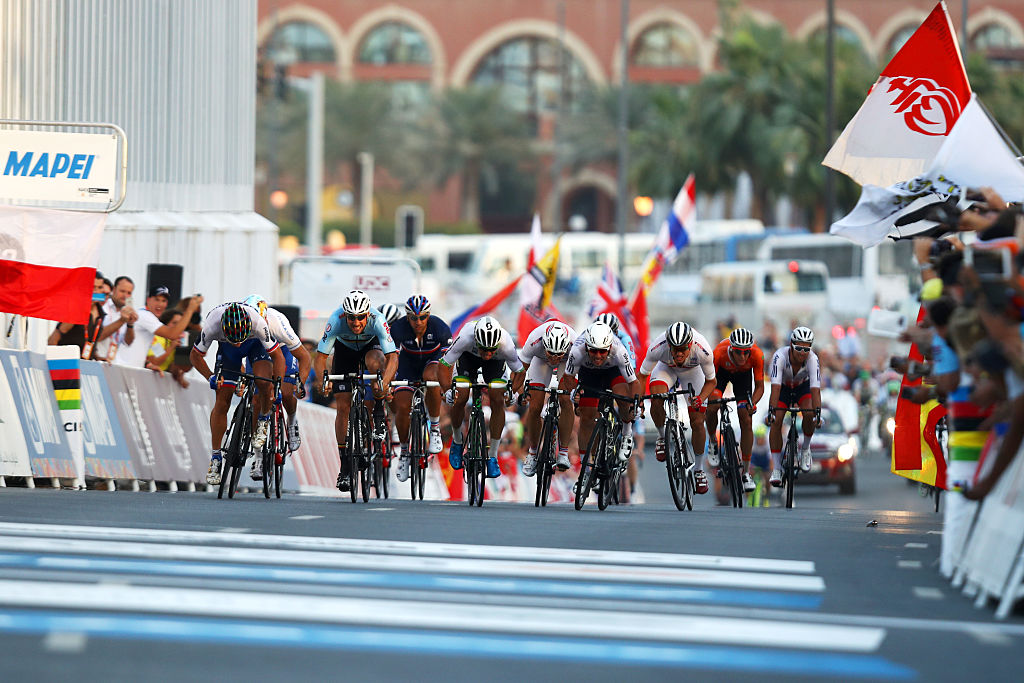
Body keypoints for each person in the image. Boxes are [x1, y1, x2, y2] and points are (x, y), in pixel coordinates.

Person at [190, 301, 286, 484]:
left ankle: (264, 420)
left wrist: (278, 385)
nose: (238, 344)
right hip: (227, 352)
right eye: (234, 339)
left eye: (241, 338)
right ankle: (216, 458)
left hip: (255, 344)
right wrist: (210, 376)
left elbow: (277, 356)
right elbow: (195, 356)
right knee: (222, 400)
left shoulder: (258, 323)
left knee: (264, 383)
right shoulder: (212, 324)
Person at [312, 290, 399, 493]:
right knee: (343, 407)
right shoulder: (335, 320)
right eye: (352, 317)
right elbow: (321, 356)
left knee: (375, 364)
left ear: (368, 315)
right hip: (345, 351)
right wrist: (324, 379)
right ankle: (344, 467)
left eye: (361, 317)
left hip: (371, 348)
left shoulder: (378, 320)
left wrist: (384, 383)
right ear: (346, 315)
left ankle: (378, 411)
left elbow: (392, 357)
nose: (356, 322)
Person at [438, 316, 525, 479]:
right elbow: (443, 364)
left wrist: (513, 391)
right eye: (484, 349)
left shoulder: (505, 344)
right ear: (477, 340)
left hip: (495, 365)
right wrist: (447, 390)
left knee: (498, 399)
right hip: (467, 359)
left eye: (491, 350)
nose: (487, 354)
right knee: (460, 396)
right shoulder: (465, 337)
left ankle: (492, 456)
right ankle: (457, 441)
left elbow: (519, 372)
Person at [638, 322, 716, 495]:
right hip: (666, 369)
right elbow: (642, 375)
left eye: (683, 349)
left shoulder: (703, 349)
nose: (679, 353)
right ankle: (661, 436)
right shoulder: (658, 347)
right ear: (668, 345)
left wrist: (700, 398)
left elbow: (712, 381)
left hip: (693, 373)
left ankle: (699, 470)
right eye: (675, 349)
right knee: (657, 397)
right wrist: (640, 402)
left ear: (691, 345)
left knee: (697, 421)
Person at [559, 321, 640, 472]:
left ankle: (626, 435)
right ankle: (585, 468)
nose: (597, 356)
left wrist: (636, 403)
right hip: (589, 373)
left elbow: (634, 382)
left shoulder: (619, 351)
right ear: (587, 347)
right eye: (594, 351)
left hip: (613, 371)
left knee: (623, 398)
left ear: (609, 347)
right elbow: (568, 377)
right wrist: (574, 392)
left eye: (602, 351)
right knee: (587, 416)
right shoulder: (577, 351)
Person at [388, 295, 452, 482]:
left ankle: (434, 428)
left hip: (431, 363)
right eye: (414, 318)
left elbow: (448, 362)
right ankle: (405, 452)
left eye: (423, 317)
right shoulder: (398, 328)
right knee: (402, 407)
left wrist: (446, 386)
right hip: (407, 365)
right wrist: (389, 383)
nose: (418, 322)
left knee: (431, 379)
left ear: (428, 315)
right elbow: (391, 359)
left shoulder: (440, 328)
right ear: (407, 317)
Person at [243, 295, 312, 452]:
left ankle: (292, 420)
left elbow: (304, 356)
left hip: (282, 349)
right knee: (256, 399)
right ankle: (258, 454)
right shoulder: (244, 322)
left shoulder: (278, 323)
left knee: (286, 392)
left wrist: (300, 381)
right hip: (258, 349)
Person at [705, 327, 764, 493]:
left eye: (746, 352)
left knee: (746, 419)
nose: (743, 357)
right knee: (713, 406)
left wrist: (752, 403)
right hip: (721, 375)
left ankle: (746, 472)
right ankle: (713, 442)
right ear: (731, 348)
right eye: (738, 352)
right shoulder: (718, 353)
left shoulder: (757, 355)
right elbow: (709, 383)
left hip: (743, 379)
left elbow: (760, 387)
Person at [765, 326, 822, 487]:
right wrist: (772, 412)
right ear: (791, 345)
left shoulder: (813, 359)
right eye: (798, 348)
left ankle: (805, 449)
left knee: (810, 414)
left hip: (801, 388)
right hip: (782, 389)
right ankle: (776, 468)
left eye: (806, 349)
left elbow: (815, 390)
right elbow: (775, 389)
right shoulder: (779, 357)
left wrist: (817, 413)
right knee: (776, 422)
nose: (802, 353)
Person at [518, 320, 577, 476]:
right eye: (551, 353)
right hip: (540, 360)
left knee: (565, 400)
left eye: (558, 354)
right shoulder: (534, 340)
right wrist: (518, 392)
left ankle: (563, 452)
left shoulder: (575, 343)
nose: (555, 358)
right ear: (544, 345)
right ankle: (532, 453)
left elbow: (579, 372)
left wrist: (577, 392)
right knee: (535, 406)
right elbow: (519, 371)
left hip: (568, 363)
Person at [114, 286, 202, 369]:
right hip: (122, 368)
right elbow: (172, 334)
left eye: (163, 301)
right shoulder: (146, 316)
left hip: (127, 368)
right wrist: (190, 309)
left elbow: (181, 367)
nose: (160, 304)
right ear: (148, 300)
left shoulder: (148, 320)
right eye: (156, 299)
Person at [48, 271, 109, 358]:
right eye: (93, 287)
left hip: (86, 364)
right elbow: (53, 340)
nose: (96, 291)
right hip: (67, 362)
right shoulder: (75, 308)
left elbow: (90, 343)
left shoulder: (101, 313)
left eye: (99, 287)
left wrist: (98, 357)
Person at [94, 275, 137, 361]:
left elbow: (128, 342)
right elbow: (97, 336)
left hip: (113, 363)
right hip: (96, 360)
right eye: (122, 291)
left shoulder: (126, 311)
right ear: (114, 290)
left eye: (129, 293)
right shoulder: (102, 306)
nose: (125, 295)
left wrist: (130, 324)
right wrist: (121, 321)